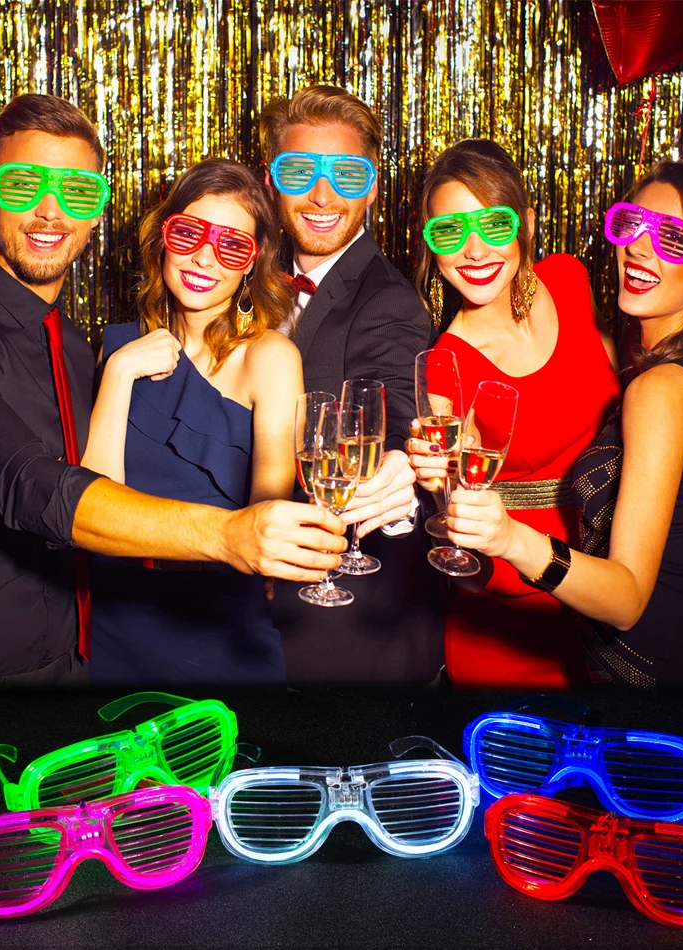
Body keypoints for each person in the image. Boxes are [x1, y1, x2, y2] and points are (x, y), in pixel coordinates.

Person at [0, 94, 345, 686]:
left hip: (80, 659)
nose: (51, 211)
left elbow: (268, 503)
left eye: (76, 192)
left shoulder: (73, 345)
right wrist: (227, 533)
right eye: (23, 185)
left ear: (97, 210)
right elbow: (28, 483)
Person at [440, 160, 683, 688]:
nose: (640, 247)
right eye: (631, 224)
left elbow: (626, 600)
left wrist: (510, 538)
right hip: (642, 669)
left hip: (660, 686)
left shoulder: (659, 390)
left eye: (673, 238)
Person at [407, 139, 620, 689]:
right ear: (430, 243)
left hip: (612, 571)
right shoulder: (446, 363)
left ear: (525, 222)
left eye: (494, 225)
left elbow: (621, 393)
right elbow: (451, 486)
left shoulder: (569, 279)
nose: (474, 250)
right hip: (514, 602)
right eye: (450, 232)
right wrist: (437, 478)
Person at [83, 159, 302, 683]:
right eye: (189, 233)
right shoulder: (119, 349)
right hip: (115, 623)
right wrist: (119, 372)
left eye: (232, 245)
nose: (205, 256)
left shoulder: (270, 357)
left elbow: (270, 509)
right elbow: (93, 506)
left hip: (223, 632)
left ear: (252, 263)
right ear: (164, 237)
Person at [259, 84, 442, 684]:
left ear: (372, 185)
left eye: (346, 173)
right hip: (256, 626)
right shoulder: (250, 280)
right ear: (270, 180)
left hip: (356, 640)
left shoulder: (389, 300)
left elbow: (397, 405)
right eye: (299, 171)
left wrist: (397, 466)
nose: (322, 195)